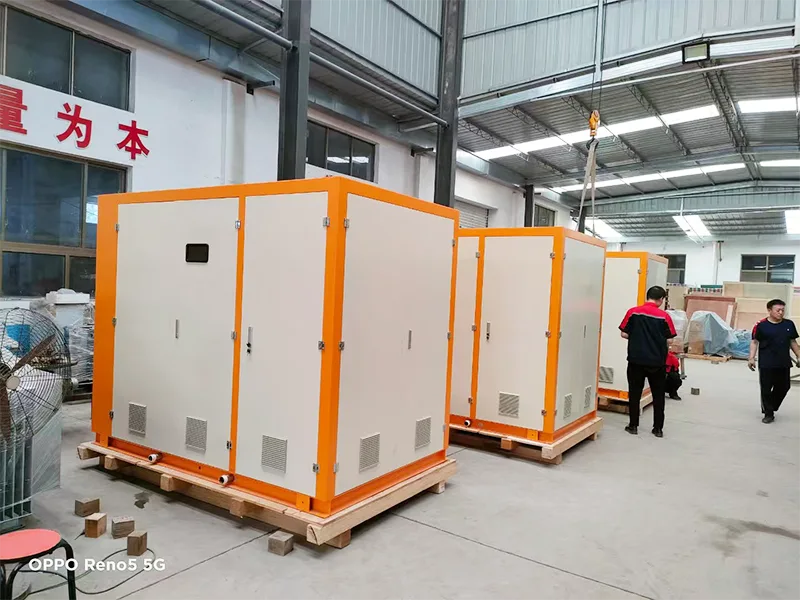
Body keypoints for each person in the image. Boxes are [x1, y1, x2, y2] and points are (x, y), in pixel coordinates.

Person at [619, 285, 677, 438]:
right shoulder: (664, 316)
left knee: (634, 393)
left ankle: (633, 426)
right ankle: (658, 429)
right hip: (657, 362)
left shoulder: (633, 312)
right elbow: (670, 339)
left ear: (647, 296)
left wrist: (637, 337)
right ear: (661, 299)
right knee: (658, 396)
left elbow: (624, 334)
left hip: (636, 360)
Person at [748, 299, 800, 423]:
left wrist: (798, 355)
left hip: (783, 362)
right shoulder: (761, 325)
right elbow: (754, 342)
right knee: (766, 389)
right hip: (767, 363)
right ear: (769, 310)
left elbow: (793, 342)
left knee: (784, 387)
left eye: (782, 310)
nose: (781, 312)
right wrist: (751, 358)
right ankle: (768, 414)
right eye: (778, 310)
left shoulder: (789, 324)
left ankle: (770, 406)